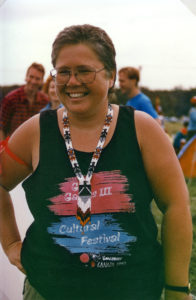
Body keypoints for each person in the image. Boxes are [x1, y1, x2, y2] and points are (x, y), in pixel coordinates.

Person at [0, 24, 193, 300]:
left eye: (84, 71)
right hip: (48, 290)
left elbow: (176, 206)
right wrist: (10, 243)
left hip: (132, 290)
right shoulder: (35, 131)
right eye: (63, 72)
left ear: (110, 76)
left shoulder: (142, 130)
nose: (72, 81)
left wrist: (176, 288)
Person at [0, 62, 49, 140]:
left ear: (42, 81)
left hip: (35, 148)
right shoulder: (10, 99)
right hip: (13, 148)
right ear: (26, 77)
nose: (33, 81)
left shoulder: (45, 101)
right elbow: (2, 127)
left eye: (37, 78)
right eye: (31, 77)